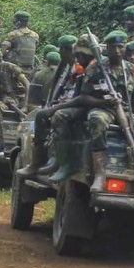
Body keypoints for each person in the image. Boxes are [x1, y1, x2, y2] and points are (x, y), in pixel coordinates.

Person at [82, 31, 134, 199]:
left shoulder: (131, 69)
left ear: (125, 48)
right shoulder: (95, 67)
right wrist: (103, 102)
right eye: (113, 47)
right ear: (107, 48)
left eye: (120, 47)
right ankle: (100, 174)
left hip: (126, 111)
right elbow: (84, 96)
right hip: (104, 109)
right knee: (97, 120)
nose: (116, 50)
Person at [15, 35, 78, 177]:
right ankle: (39, 161)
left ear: (63, 50)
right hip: (66, 102)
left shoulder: (76, 67)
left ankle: (42, 160)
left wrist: (57, 105)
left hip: (73, 105)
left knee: (42, 116)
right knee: (44, 115)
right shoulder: (66, 67)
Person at [41, 34, 100, 183]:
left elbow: (82, 98)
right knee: (47, 114)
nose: (78, 58)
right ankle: (52, 159)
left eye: (80, 54)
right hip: (87, 104)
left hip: (94, 107)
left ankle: (65, 164)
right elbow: (78, 94)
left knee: (59, 115)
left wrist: (58, 107)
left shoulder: (94, 66)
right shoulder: (80, 66)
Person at [0, 49, 30, 154]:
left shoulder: (11, 67)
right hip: (3, 100)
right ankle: (0, 142)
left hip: (18, 100)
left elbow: (28, 84)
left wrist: (25, 105)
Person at [1, 11, 40, 76]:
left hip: (14, 69)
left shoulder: (13, 35)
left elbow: (2, 52)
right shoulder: (35, 35)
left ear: (18, 22)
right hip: (30, 69)